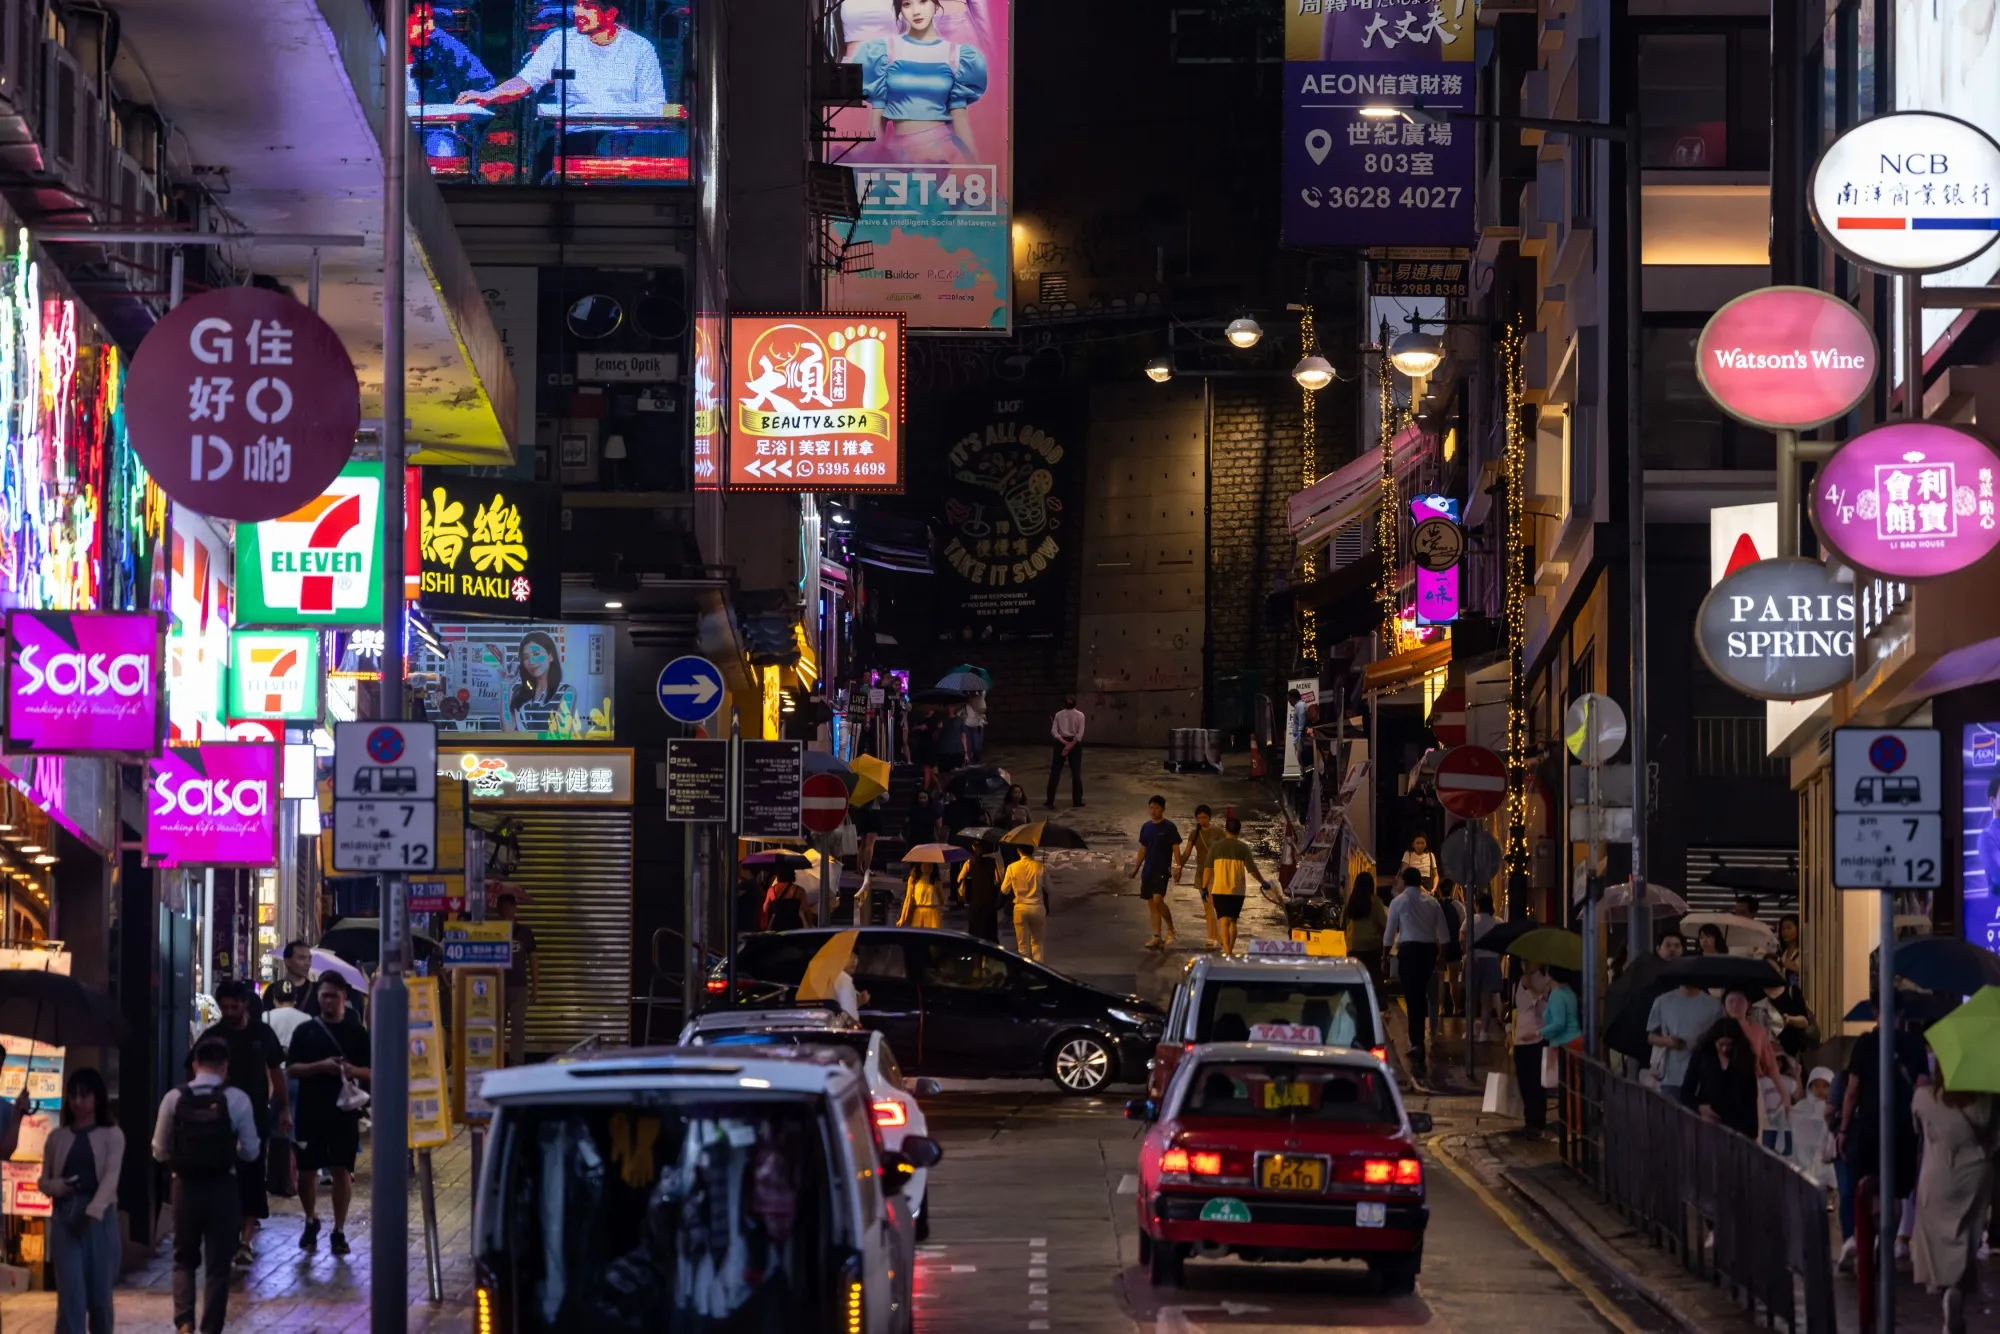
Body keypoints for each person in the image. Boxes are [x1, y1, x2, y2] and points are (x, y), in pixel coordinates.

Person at [153, 1038, 259, 1334]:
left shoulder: (173, 1098)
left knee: (183, 1258)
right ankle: (210, 1328)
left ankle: (184, 1322)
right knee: (218, 1265)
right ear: (225, 1067)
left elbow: (159, 1150)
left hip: (184, 1188)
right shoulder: (237, 1099)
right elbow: (251, 1151)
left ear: (196, 1064)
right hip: (223, 1188)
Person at [193, 979, 289, 1266]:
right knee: (223, 1175)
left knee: (252, 1175)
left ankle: (245, 1239)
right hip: (218, 1117)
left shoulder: (262, 1033)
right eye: (225, 1008)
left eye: (235, 1006)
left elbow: (276, 1072)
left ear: (245, 1005)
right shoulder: (213, 1035)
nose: (230, 1012)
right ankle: (227, 1232)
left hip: (255, 1115)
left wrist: (283, 1109)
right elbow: (193, 1067)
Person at [457, 0, 667, 115]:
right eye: (577, 4)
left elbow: (654, 105)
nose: (578, 12)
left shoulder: (640, 49)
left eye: (588, 6)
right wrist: (489, 95)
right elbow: (525, 81)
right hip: (572, 135)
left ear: (611, 13)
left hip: (621, 136)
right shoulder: (560, 41)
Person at [286, 976, 372, 1256]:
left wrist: (349, 1071)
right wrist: (320, 1066)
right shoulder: (305, 1031)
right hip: (311, 1109)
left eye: (333, 996)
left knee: (341, 1170)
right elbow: (292, 1069)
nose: (328, 1001)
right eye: (324, 996)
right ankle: (310, 1219)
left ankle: (339, 1229)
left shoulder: (357, 1032)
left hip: (344, 1112)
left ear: (344, 997)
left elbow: (372, 1071)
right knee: (307, 1170)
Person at [1837, 1014, 1925, 1271]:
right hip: (1904, 1128)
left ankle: (1872, 1240)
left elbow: (1852, 1090)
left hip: (1870, 1124)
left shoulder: (1865, 1043)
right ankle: (1885, 1244)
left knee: (1871, 1186)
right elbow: (1922, 1086)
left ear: (1876, 1011)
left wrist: (1843, 1129)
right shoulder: (1914, 1044)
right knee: (1896, 1190)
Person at [852, 0, 991, 164]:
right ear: (899, 11)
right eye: (907, 4)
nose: (916, 11)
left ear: (936, 4)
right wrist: (871, 160)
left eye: (923, 2)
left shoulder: (957, 55)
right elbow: (877, 123)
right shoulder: (883, 52)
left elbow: (960, 120)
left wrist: (974, 164)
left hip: (944, 156)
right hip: (898, 156)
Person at [1911, 1073, 1998, 1332]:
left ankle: (1946, 1290)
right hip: (1976, 1174)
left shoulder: (1924, 1098)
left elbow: (1916, 1128)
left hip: (1938, 1174)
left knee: (1936, 1240)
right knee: (1966, 1236)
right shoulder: (1988, 1102)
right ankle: (1957, 1288)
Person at [41, 1068, 122, 1334]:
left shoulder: (112, 1135)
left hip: (98, 1219)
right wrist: (59, 1187)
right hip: (66, 1215)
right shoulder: (57, 1137)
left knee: (99, 1296)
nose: (78, 1102)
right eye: (73, 1095)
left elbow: (111, 1176)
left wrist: (95, 1208)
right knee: (70, 1295)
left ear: (97, 1098)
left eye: (84, 1095)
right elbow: (44, 1181)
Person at [1384, 867, 1450, 1068]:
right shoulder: (1432, 902)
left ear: (1404, 881)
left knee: (1412, 997)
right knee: (1421, 994)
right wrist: (1441, 959)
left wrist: (1384, 956)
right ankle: (1419, 1040)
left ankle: (1417, 1043)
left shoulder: (1398, 902)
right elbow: (1445, 936)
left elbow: (1389, 934)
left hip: (1409, 952)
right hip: (1428, 952)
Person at [1646, 976, 1724, 1101]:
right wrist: (1668, 1042)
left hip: (1702, 1079)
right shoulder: (1662, 1001)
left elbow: (1722, 1036)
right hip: (1671, 1077)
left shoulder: (1714, 1005)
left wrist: (1706, 1040)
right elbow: (1650, 1036)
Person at [489, 630, 580, 735]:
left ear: (551, 656)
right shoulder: (519, 693)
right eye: (526, 657)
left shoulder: (567, 692)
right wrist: (505, 686)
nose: (531, 661)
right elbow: (508, 731)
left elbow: (559, 735)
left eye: (536, 654)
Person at [1205, 815, 1271, 958]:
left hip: (1220, 889)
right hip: (1237, 890)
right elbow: (1252, 869)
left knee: (1223, 920)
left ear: (1225, 830)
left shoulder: (1216, 846)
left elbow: (1208, 869)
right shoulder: (1243, 847)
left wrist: (1204, 886)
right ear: (1239, 831)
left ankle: (1227, 951)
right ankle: (1230, 950)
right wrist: (1263, 882)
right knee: (1233, 921)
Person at [1680, 1020, 1760, 1137]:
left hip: (1737, 1126)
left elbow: (1751, 1097)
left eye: (1729, 1045)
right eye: (1721, 1044)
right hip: (1708, 1123)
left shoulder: (1745, 1058)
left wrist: (1752, 1132)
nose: (1724, 1049)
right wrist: (1698, 1107)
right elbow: (1686, 1092)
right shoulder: (1702, 1055)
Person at [1128, 796, 1181, 951]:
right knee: (1152, 905)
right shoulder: (1146, 827)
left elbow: (1176, 847)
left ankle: (1170, 928)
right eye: (1151, 807)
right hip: (1148, 870)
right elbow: (1143, 849)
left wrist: (1178, 867)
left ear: (1163, 809)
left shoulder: (1169, 827)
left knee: (1158, 900)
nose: (1153, 811)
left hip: (1162, 869)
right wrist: (1136, 868)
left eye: (1157, 808)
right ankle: (1156, 936)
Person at [496, 892, 540, 1067]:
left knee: (518, 1027)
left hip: (519, 987)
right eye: (503, 907)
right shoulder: (493, 932)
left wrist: (536, 987)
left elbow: (533, 960)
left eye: (510, 906)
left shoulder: (525, 933)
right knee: (497, 1027)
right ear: (499, 910)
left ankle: (516, 1062)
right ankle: (496, 1060)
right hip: (498, 986)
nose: (507, 910)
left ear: (515, 909)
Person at [1512, 961, 1552, 1135]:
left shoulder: (1545, 982)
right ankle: (1529, 1120)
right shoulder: (1517, 983)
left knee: (1536, 1083)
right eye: (1522, 961)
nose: (1525, 964)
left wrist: (1533, 989)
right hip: (1520, 1039)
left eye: (1529, 960)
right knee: (1524, 1081)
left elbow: (1545, 1010)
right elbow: (1516, 1010)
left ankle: (1538, 1121)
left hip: (1537, 1039)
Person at [1177, 804, 1222, 951]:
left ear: (1210, 817)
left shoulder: (1218, 832)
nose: (1202, 820)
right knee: (1208, 906)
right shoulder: (1193, 834)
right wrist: (1178, 866)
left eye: (1205, 817)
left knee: (1213, 905)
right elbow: (1187, 853)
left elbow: (1226, 849)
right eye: (1199, 817)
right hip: (1201, 873)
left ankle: (1216, 937)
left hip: (1217, 872)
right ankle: (1213, 938)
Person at [1002, 846, 1049, 962]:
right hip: (1037, 907)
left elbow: (1004, 889)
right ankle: (1039, 971)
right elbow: (1050, 888)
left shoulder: (1012, 868)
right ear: (1033, 851)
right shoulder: (1040, 867)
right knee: (1037, 943)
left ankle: (1024, 971)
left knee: (1022, 946)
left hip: (1020, 908)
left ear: (1018, 851)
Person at [1341, 873, 1388, 986]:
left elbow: (1342, 923)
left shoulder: (1351, 901)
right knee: (1375, 978)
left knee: (1354, 978)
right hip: (1372, 946)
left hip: (1354, 945)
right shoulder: (1376, 902)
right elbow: (1384, 924)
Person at [1470, 893, 1504, 1044]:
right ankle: (1484, 1032)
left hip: (1474, 960)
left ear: (1477, 905)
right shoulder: (1497, 923)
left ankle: (1470, 1031)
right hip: (1491, 960)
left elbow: (1463, 937)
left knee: (1471, 998)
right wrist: (1498, 959)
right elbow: (1502, 945)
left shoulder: (1471, 920)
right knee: (1486, 1000)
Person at [1045, 694, 1086, 809]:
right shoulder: (1080, 715)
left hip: (1062, 743)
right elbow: (1079, 734)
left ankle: (1050, 800)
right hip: (1074, 744)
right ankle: (1077, 801)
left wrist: (1064, 743)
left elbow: (1054, 732)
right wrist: (1070, 744)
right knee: (1075, 772)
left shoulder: (1059, 714)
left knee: (1056, 772)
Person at [262, 940, 315, 1011]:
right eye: (302, 958)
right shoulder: (273, 990)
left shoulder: (316, 991)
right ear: (287, 961)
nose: (307, 963)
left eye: (309, 958)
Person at [762, 865, 814, 932]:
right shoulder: (799, 890)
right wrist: (810, 924)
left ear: (778, 876)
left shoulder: (771, 890)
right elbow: (806, 910)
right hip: (795, 927)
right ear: (792, 875)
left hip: (777, 927)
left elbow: (765, 909)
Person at [899, 863, 945, 929]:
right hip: (918, 914)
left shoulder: (936, 881)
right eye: (925, 864)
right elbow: (908, 899)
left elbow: (942, 902)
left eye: (930, 865)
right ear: (920, 865)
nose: (928, 867)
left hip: (933, 915)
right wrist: (902, 918)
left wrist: (938, 889)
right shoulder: (913, 879)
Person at [1776, 913, 1802, 985]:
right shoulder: (1780, 953)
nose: (1785, 932)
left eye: (1789, 928)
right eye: (1783, 929)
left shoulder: (1804, 953)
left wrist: (1797, 970)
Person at [962, 692, 987, 763]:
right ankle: (970, 763)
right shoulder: (965, 698)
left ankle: (978, 762)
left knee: (977, 747)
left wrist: (973, 703)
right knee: (969, 746)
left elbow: (983, 710)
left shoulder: (979, 697)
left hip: (977, 725)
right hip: (967, 725)